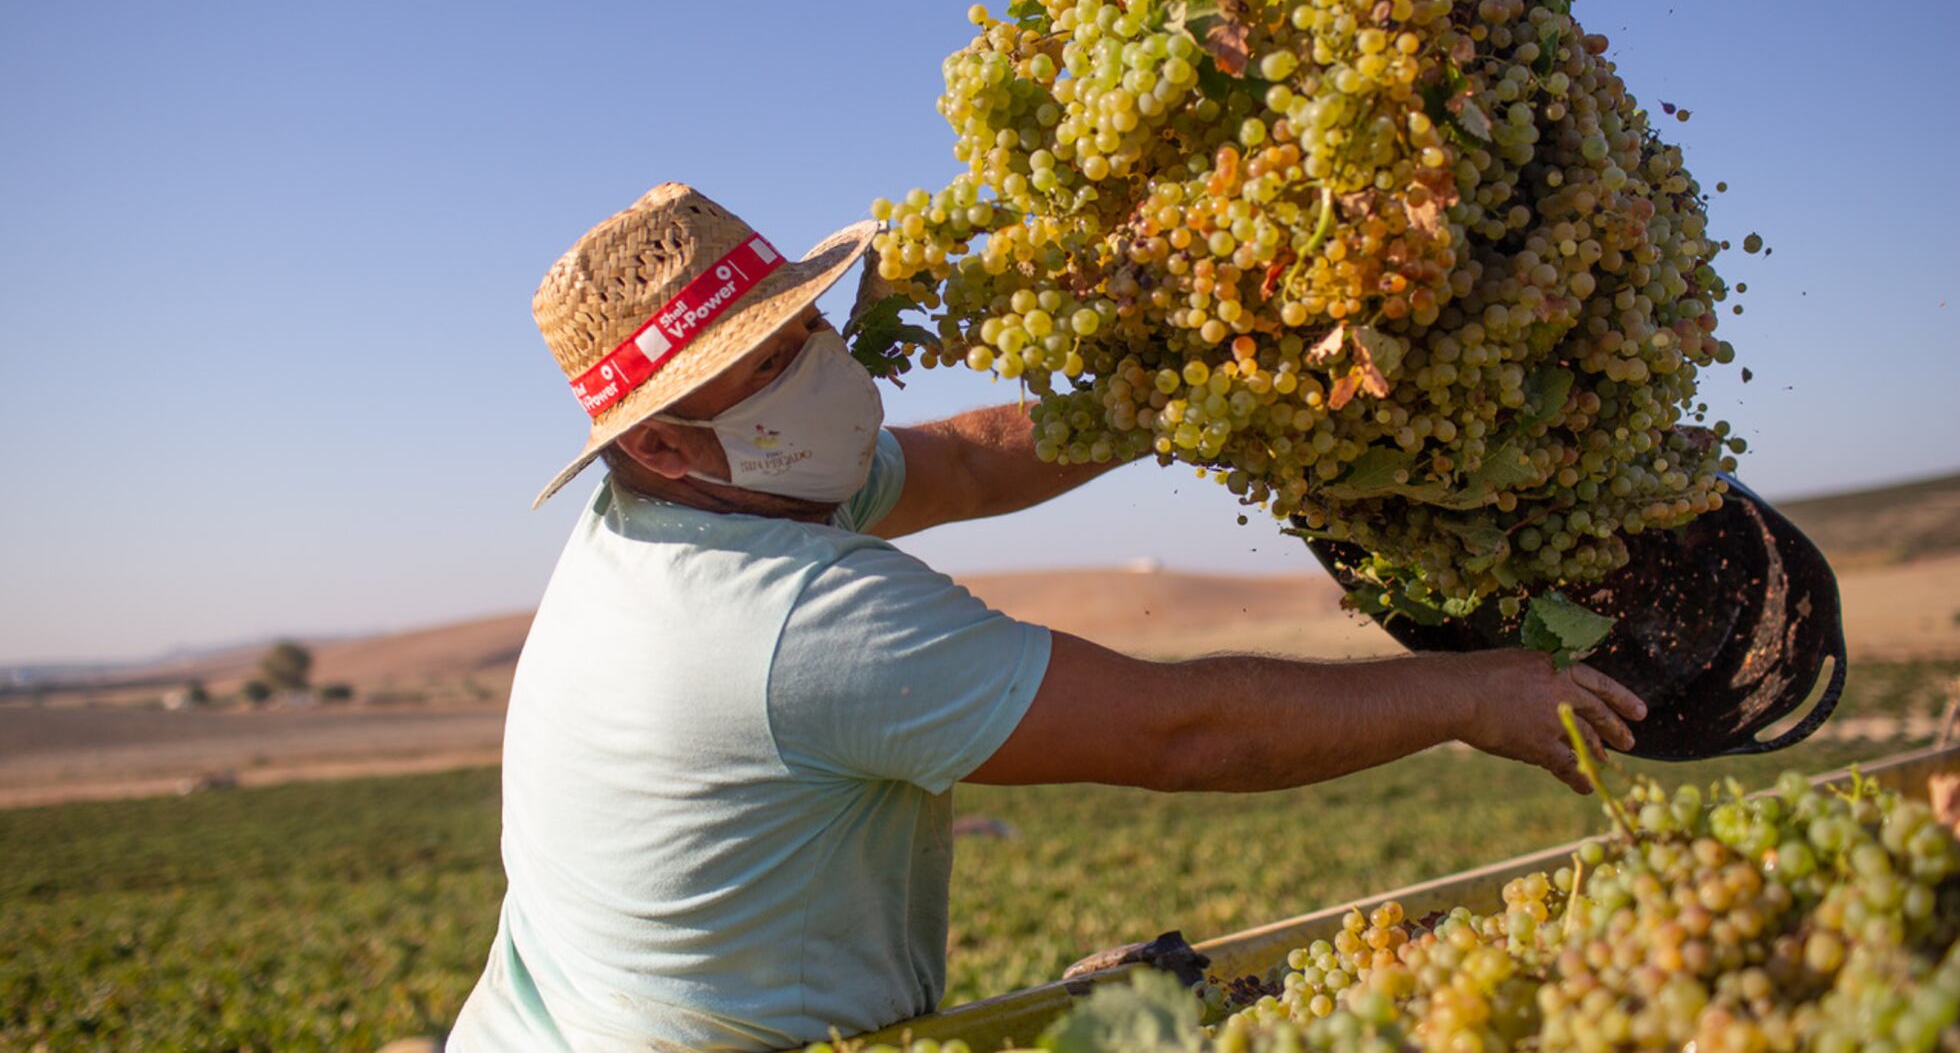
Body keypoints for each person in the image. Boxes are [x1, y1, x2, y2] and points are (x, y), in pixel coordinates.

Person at [448, 184, 1645, 1052]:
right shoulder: (785, 620)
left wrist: (1185, 389)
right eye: (766, 364)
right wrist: (1468, 693)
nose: (818, 365)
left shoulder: (702, 498)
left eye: (805, 328)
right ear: (656, 438)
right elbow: (1184, 731)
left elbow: (967, 468)